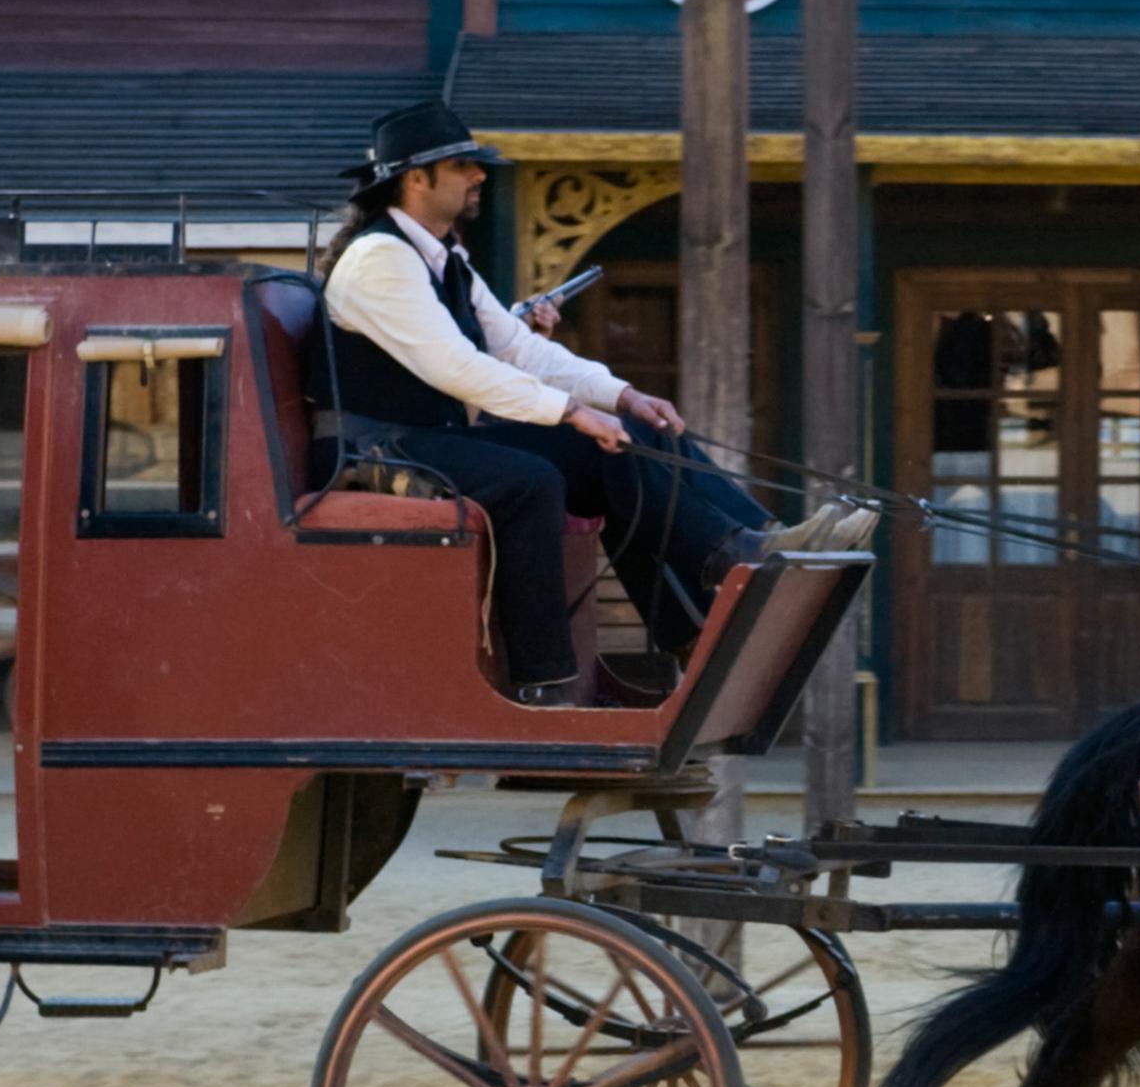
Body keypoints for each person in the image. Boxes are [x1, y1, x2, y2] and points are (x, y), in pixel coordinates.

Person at [311, 100, 823, 707]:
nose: (479, 175)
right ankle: (544, 681)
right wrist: (571, 412)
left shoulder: (446, 260)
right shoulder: (380, 259)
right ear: (415, 179)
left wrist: (622, 396)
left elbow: (521, 349)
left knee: (630, 438)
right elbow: (456, 367)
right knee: (532, 479)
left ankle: (743, 555)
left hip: (428, 438)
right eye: (462, 166)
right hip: (372, 448)